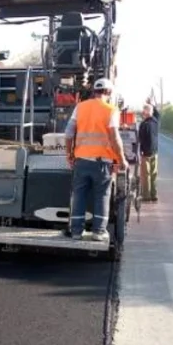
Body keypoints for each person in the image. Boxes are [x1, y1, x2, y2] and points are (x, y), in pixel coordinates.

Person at [63, 79, 128, 241]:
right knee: (102, 195)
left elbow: (68, 133)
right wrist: (121, 159)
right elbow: (114, 138)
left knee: (79, 195)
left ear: (94, 92)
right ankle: (98, 232)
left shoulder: (80, 107)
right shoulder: (111, 110)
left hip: (81, 160)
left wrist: (69, 155)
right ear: (109, 92)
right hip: (102, 163)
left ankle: (76, 231)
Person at [138, 97, 161, 202]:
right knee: (153, 175)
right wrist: (152, 105)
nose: (143, 112)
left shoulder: (144, 124)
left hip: (147, 153)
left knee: (146, 175)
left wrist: (141, 151)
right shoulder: (155, 122)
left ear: (146, 112)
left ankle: (148, 196)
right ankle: (152, 195)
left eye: (144, 110)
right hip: (153, 152)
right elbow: (158, 114)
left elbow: (140, 139)